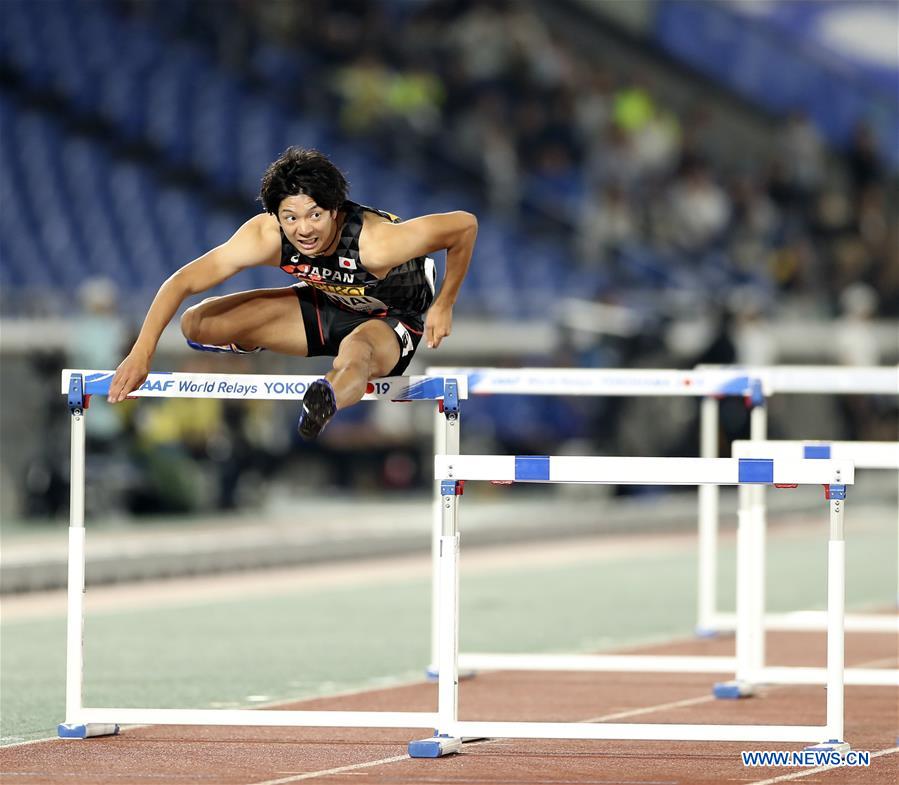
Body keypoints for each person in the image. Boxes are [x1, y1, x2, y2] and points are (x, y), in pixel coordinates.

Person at [107, 147, 478, 439]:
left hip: (390, 317)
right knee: (196, 323)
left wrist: (444, 303)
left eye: (315, 215)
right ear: (276, 216)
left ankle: (325, 400)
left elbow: (463, 227)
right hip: (328, 303)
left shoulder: (376, 243)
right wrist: (142, 352)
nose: (303, 230)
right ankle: (252, 340)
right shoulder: (266, 236)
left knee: (357, 352)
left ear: (334, 210)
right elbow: (181, 281)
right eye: (291, 218)